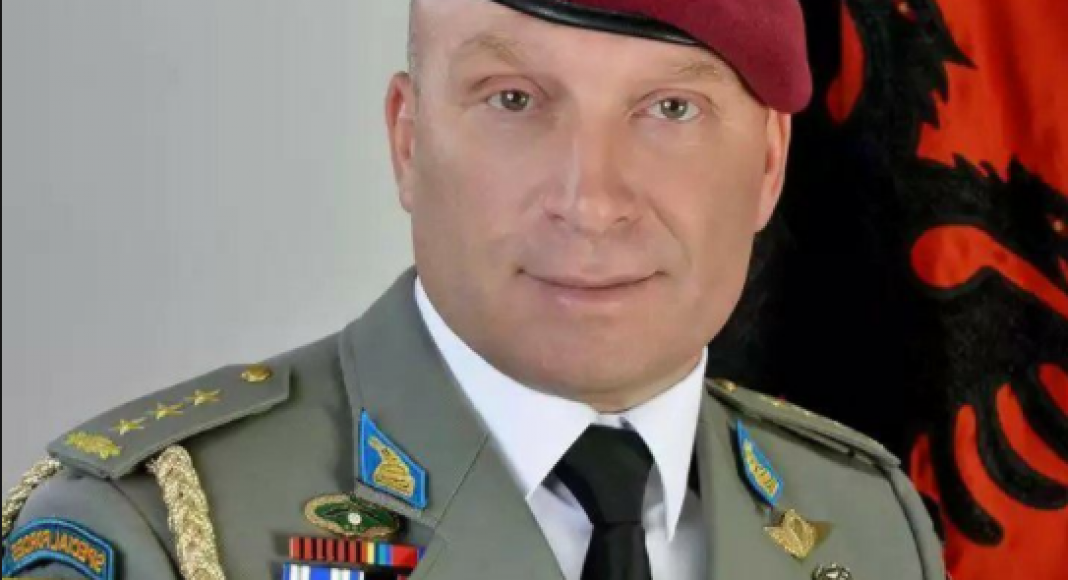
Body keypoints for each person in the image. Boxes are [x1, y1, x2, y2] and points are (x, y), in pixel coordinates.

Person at [1, 1, 946, 579]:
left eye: (671, 108)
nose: (591, 202)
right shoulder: (156, 533)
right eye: (513, 100)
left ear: (771, 164)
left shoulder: (867, 524)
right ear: (409, 141)